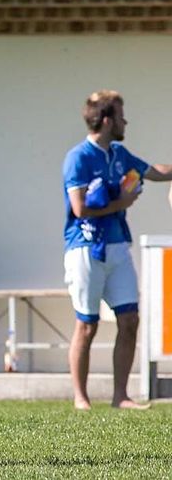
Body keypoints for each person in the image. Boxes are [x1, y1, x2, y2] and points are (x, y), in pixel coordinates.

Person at [62, 89, 172, 411]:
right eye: (122, 116)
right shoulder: (78, 158)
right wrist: (120, 204)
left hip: (118, 246)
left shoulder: (119, 154)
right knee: (87, 325)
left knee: (130, 319)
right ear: (108, 120)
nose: (126, 122)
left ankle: (120, 395)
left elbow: (154, 171)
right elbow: (79, 209)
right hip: (85, 247)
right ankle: (81, 398)